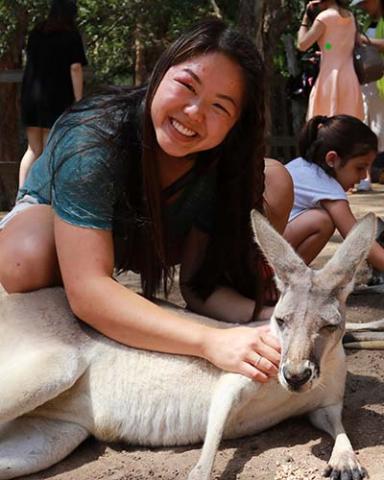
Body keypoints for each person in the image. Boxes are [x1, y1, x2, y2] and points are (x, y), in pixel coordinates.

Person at [0, 19, 293, 382]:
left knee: (275, 180)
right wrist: (209, 341)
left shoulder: (224, 164)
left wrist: (274, 319)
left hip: (154, 237)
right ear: (159, 73)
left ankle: (128, 314)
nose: (194, 113)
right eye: (187, 85)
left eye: (220, 107)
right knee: (22, 258)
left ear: (236, 124)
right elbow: (88, 289)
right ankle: (106, 319)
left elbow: (198, 286)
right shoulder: (93, 135)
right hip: (63, 237)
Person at [283, 115, 384, 273]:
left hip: (249, 245)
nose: (364, 176)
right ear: (332, 159)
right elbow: (357, 240)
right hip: (256, 251)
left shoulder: (302, 167)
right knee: (323, 221)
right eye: (360, 167)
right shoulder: (326, 186)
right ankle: (284, 278)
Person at [19, 0, 87, 188]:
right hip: (56, 99)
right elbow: (75, 68)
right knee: (51, 148)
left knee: (32, 149)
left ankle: (21, 195)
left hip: (30, 97)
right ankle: (45, 200)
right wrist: (79, 100)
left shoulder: (37, 32)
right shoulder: (70, 35)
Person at [297, 0, 364, 120]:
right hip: (350, 80)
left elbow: (302, 44)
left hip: (329, 79)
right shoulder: (350, 16)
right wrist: (326, 50)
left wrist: (305, 19)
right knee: (348, 125)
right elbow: (343, 43)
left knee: (327, 126)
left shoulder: (325, 17)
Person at [350, 0, 384, 191]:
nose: (362, 6)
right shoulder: (368, 23)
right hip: (369, 84)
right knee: (367, 130)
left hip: (380, 84)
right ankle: (366, 178)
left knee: (378, 131)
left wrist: (365, 41)